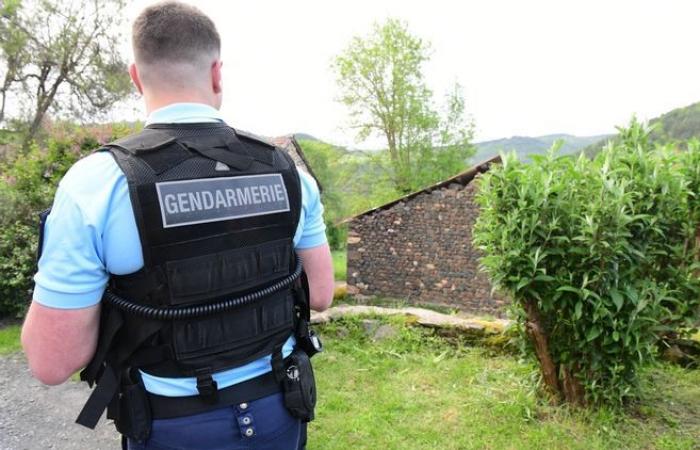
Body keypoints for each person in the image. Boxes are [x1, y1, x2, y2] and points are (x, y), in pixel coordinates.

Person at [20, 2, 334, 449]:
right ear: (217, 74)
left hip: (175, 427)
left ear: (136, 77)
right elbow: (320, 295)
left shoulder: (97, 185)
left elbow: (52, 362)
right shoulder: (288, 173)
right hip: (278, 410)